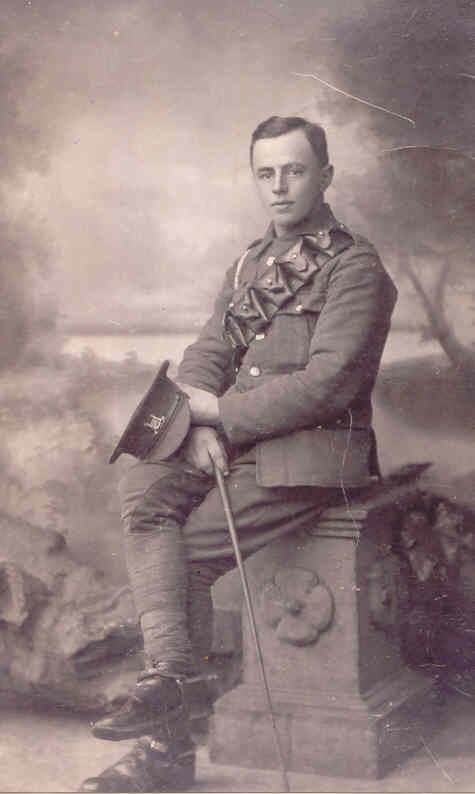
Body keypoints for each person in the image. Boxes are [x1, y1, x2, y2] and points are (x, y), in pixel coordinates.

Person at [79, 115, 397, 792]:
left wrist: (218, 414)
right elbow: (208, 352)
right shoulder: (250, 265)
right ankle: (171, 677)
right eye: (265, 173)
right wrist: (192, 421)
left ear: (324, 177)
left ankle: (166, 755)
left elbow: (329, 384)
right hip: (235, 442)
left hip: (310, 457)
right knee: (142, 491)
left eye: (294, 171)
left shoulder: (355, 268)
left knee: (187, 553)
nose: (278, 187)